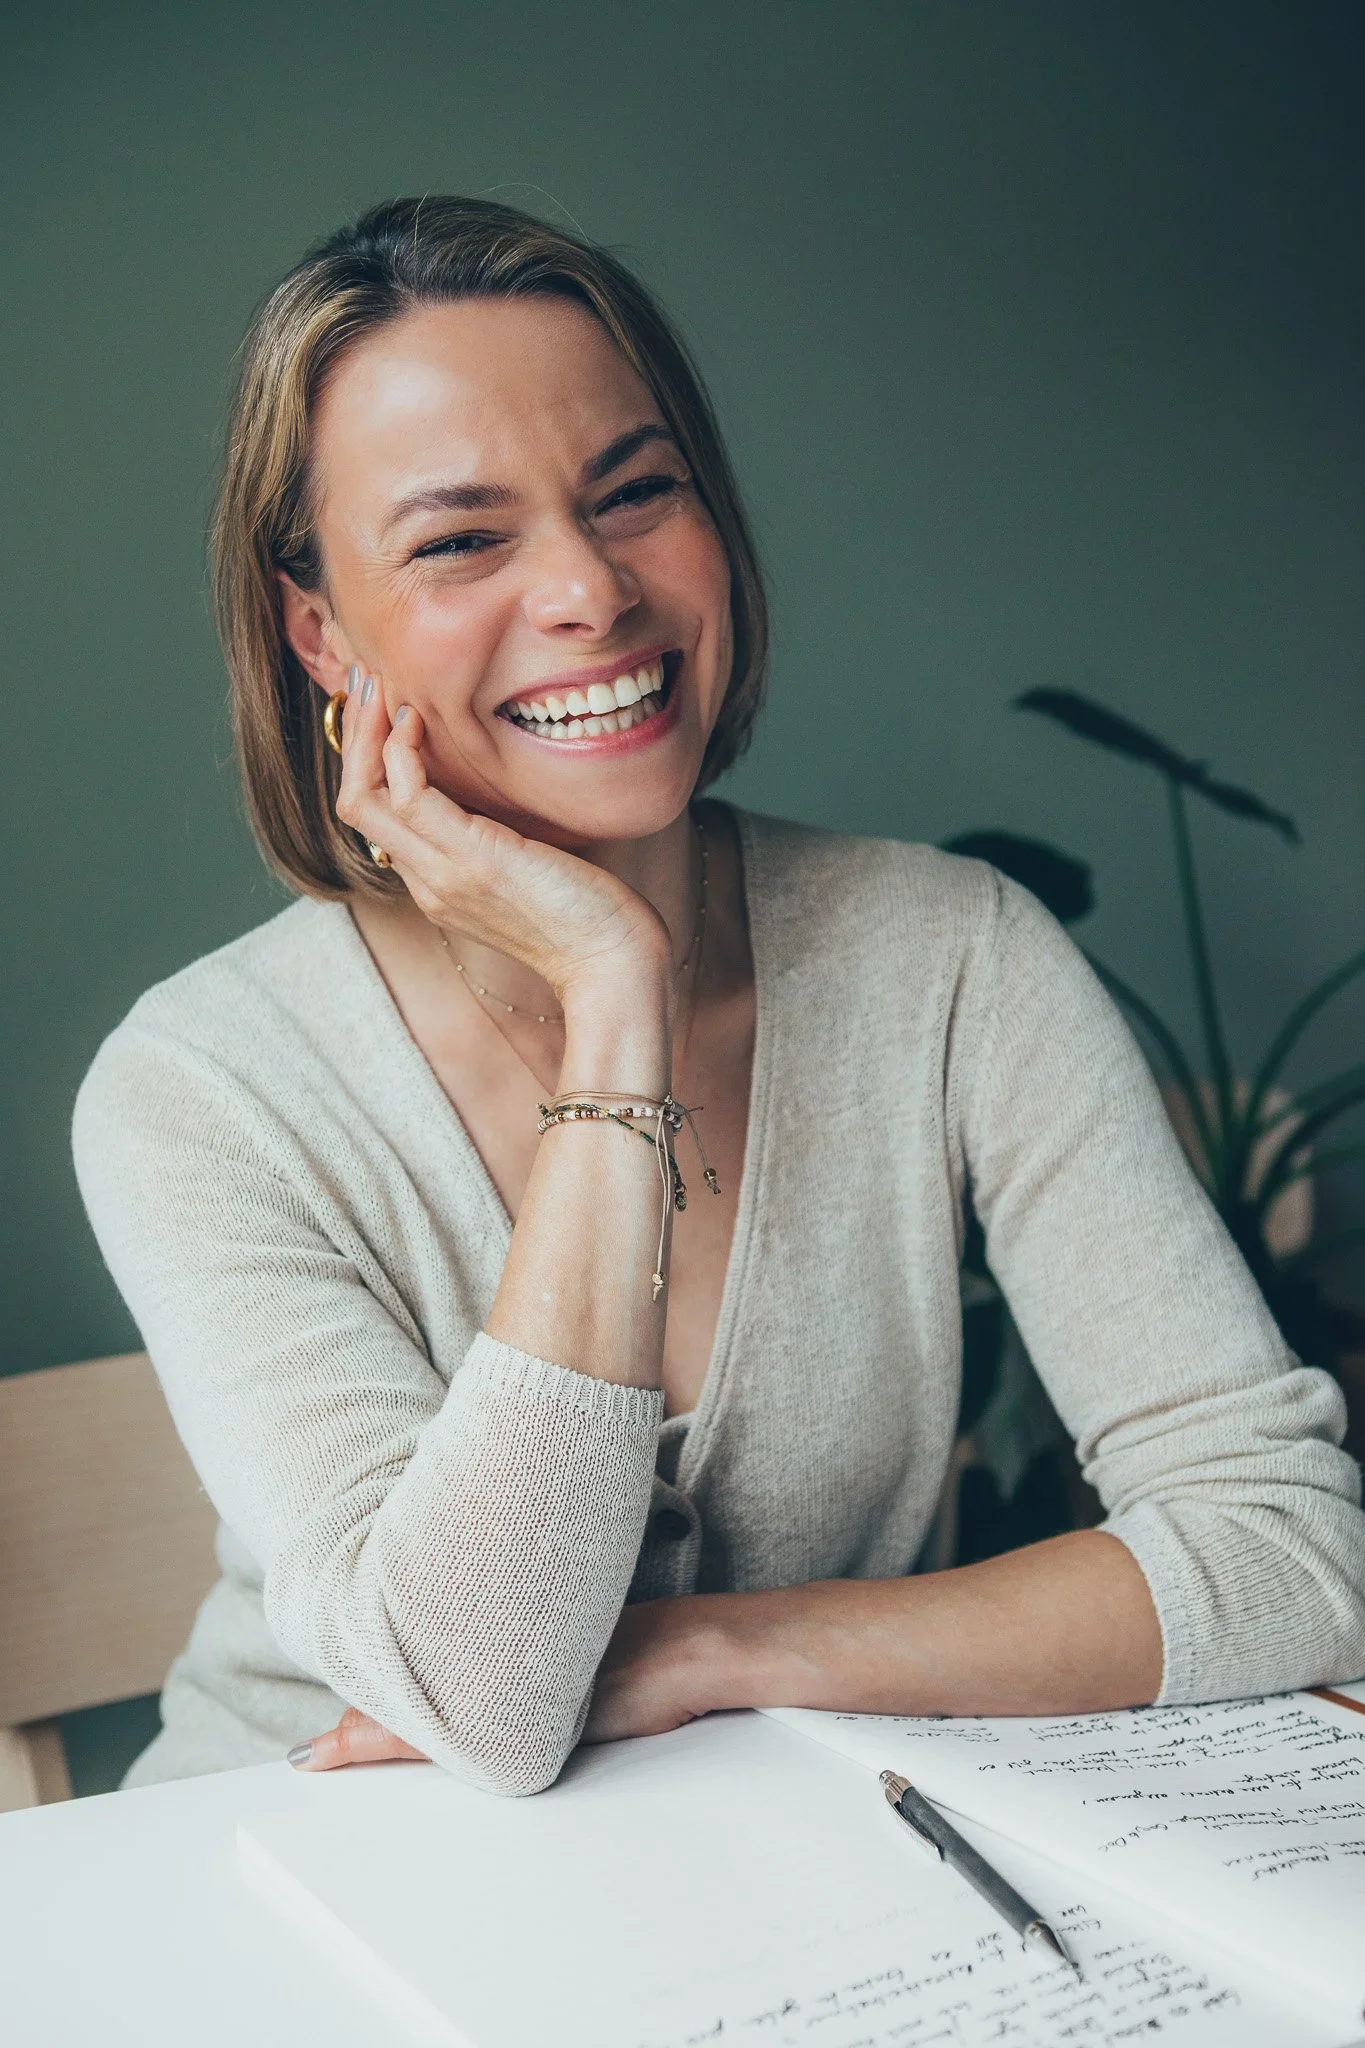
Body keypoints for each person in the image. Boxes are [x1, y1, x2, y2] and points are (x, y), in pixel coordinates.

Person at [74, 197, 1365, 1795]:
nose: (590, 589)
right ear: (319, 634)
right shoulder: (200, 1089)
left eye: (636, 491)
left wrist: (712, 1651)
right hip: (312, 1861)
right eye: (462, 540)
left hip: (795, 1871)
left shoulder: (954, 959)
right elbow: (483, 1698)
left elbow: (1291, 1549)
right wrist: (616, 989)